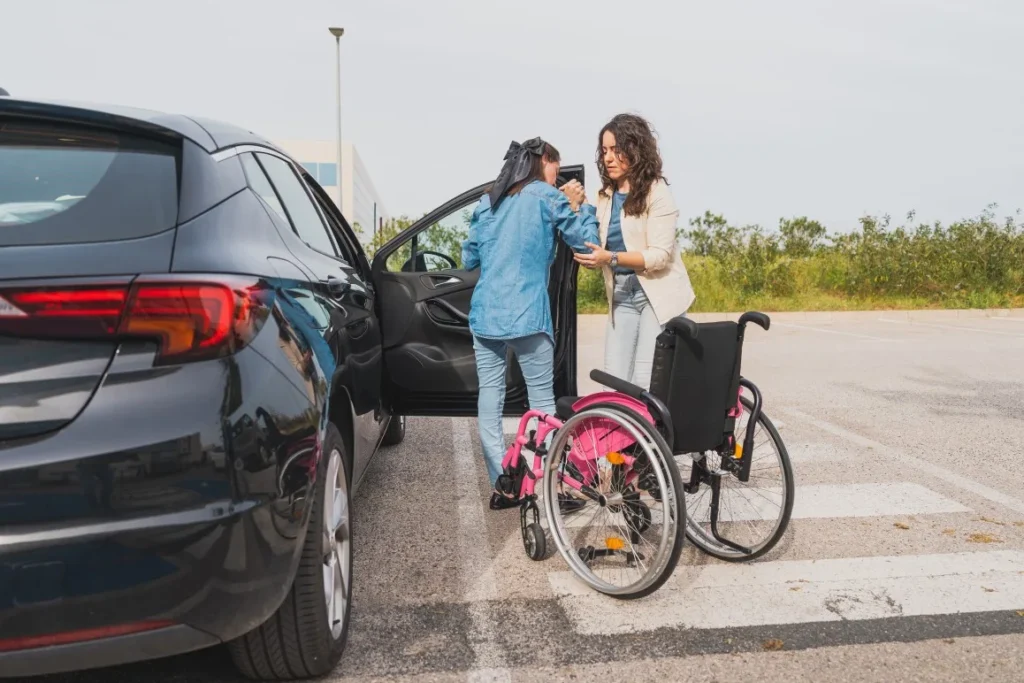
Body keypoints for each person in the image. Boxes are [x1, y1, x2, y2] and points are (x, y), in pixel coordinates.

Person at [462, 137, 598, 510]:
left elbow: (469, 256)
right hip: (528, 317)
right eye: (556, 168)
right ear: (544, 163)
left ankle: (504, 485)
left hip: (486, 315)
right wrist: (579, 207)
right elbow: (586, 245)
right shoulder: (547, 197)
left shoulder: (489, 199)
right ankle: (553, 489)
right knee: (542, 405)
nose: (558, 177)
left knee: (489, 400)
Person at [574, 113, 695, 390]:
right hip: (620, 292)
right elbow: (597, 244)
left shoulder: (656, 192)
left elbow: (659, 256)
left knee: (644, 380)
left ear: (635, 150)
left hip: (655, 294)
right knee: (614, 382)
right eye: (604, 151)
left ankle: (648, 434)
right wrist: (578, 210)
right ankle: (621, 433)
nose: (608, 158)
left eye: (616, 150)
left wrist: (611, 257)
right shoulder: (604, 195)